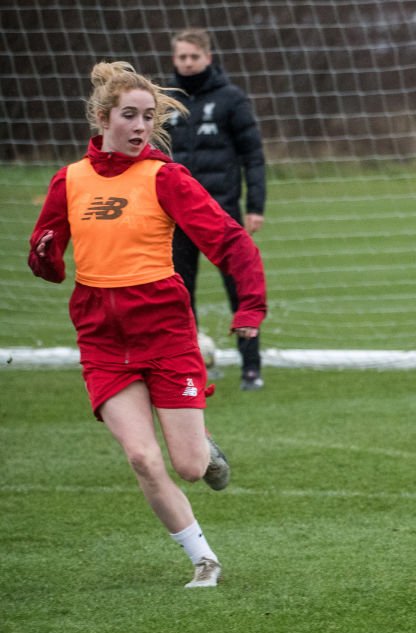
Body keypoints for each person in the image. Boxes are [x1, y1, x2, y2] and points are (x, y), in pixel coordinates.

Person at [28, 61, 267, 588]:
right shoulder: (69, 181)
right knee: (140, 456)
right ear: (102, 117)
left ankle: (205, 448)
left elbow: (231, 242)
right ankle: (204, 559)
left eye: (148, 117)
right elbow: (49, 265)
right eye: (129, 115)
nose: (139, 126)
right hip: (102, 338)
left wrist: (250, 308)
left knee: (187, 465)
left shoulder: (166, 177)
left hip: (165, 334)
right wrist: (43, 255)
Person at [167, 28, 267, 390]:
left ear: (208, 58)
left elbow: (253, 155)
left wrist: (255, 205)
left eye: (194, 57)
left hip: (221, 212)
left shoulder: (231, 99)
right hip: (174, 217)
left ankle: (251, 368)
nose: (188, 63)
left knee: (240, 289)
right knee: (178, 293)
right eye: (182, 57)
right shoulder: (163, 100)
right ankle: (188, 370)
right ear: (174, 59)